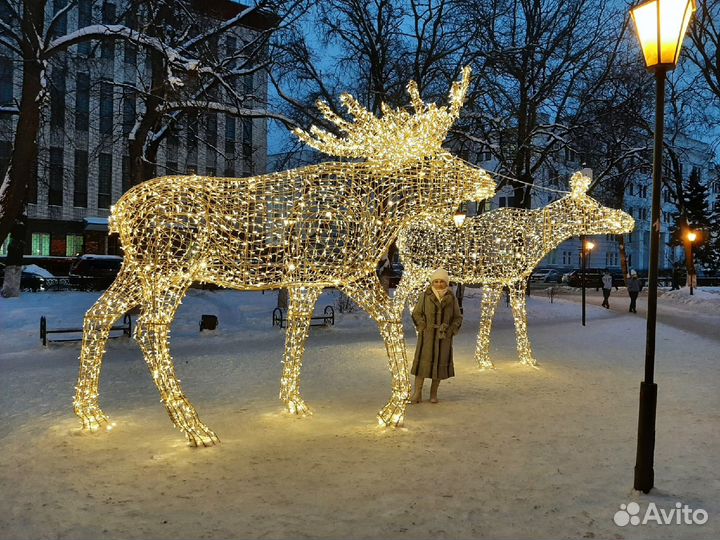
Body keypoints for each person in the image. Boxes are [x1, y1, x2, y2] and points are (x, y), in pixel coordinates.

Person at [409, 268, 463, 404]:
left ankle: (434, 393)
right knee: (422, 367)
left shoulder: (451, 298)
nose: (439, 284)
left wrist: (450, 330)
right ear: (432, 282)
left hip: (443, 338)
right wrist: (422, 325)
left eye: (442, 281)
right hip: (427, 337)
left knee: (439, 366)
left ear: (446, 283)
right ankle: (417, 393)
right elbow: (416, 313)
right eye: (436, 281)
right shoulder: (425, 295)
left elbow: (458, 317)